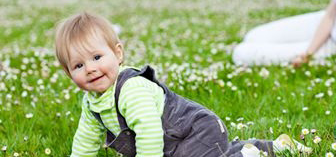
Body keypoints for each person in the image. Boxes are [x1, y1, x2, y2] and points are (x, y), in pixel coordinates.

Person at [54, 12, 312, 157]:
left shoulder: (130, 90)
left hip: (194, 130)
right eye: (78, 65)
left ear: (118, 54)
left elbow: (149, 133)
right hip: (173, 147)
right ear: (68, 73)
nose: (90, 68)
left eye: (97, 57)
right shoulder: (92, 105)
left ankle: (250, 155)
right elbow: (85, 143)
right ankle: (273, 146)